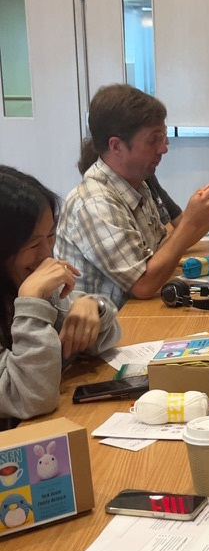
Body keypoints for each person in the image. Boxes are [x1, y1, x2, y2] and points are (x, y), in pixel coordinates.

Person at [56, 85, 209, 309]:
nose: (163, 149)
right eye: (153, 140)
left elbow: (160, 250)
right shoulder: (95, 202)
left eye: (163, 137)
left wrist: (201, 217)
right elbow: (143, 285)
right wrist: (190, 222)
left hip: (136, 313)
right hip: (110, 330)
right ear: (117, 146)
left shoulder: (137, 184)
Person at [0, 166, 120, 430]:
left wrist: (92, 307)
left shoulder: (24, 277)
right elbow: (30, 397)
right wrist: (31, 301)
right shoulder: (30, 287)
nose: (47, 253)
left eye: (51, 235)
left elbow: (104, 339)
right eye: (33, 244)